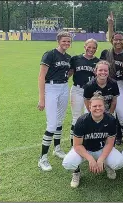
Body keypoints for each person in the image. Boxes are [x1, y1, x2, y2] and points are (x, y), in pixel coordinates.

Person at [62, 93, 123, 188]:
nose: (97, 108)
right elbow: (77, 145)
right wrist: (90, 159)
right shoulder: (81, 121)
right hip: (85, 150)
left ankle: (108, 165)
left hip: (101, 149)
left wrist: (101, 159)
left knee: (119, 162)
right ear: (89, 107)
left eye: (100, 105)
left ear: (104, 107)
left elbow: (110, 143)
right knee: (68, 163)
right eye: (94, 106)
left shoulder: (111, 120)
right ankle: (76, 172)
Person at [37, 31, 72, 171]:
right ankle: (42, 158)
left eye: (69, 41)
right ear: (58, 41)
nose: (66, 43)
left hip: (63, 86)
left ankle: (57, 148)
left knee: (60, 121)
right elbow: (41, 76)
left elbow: (68, 73)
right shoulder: (50, 54)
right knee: (51, 124)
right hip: (50, 87)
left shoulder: (68, 57)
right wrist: (41, 98)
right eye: (64, 41)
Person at [100, 27, 123, 145]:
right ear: (112, 40)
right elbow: (100, 69)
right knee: (103, 113)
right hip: (106, 84)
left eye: (120, 39)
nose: (118, 42)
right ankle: (103, 139)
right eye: (115, 39)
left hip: (120, 85)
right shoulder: (106, 53)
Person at [68, 38, 100, 146]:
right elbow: (69, 73)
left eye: (94, 48)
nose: (91, 49)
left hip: (91, 92)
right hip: (77, 90)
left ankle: (87, 143)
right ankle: (73, 144)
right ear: (85, 47)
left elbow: (100, 78)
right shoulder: (76, 59)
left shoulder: (98, 62)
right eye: (89, 47)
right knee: (76, 117)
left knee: (89, 117)